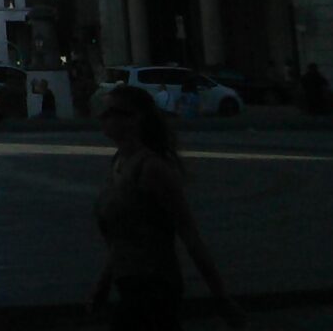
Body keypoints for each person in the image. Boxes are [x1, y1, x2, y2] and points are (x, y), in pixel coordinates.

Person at [92, 84, 238, 329]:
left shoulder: (152, 169)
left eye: (114, 113)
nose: (105, 119)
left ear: (137, 118)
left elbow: (189, 234)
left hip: (155, 286)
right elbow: (122, 238)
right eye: (104, 113)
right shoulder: (118, 162)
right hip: (128, 284)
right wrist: (102, 285)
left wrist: (221, 298)